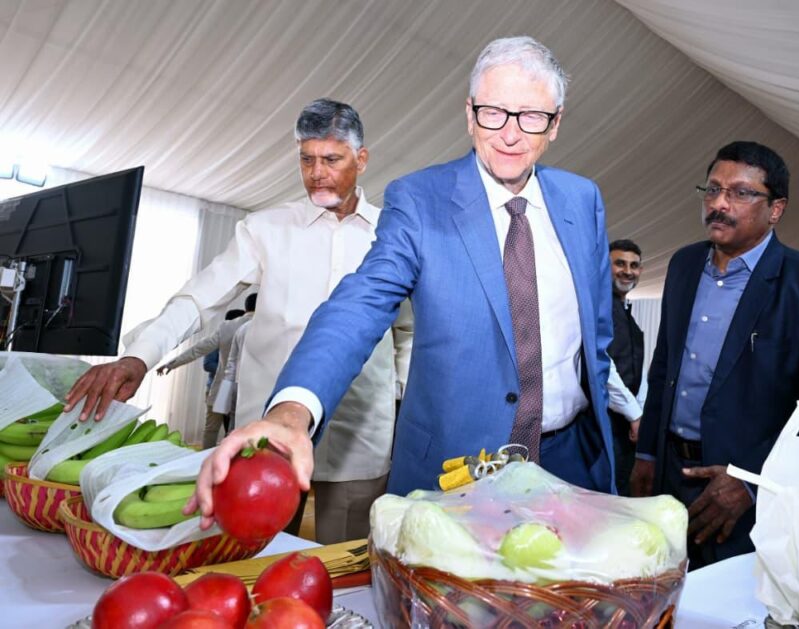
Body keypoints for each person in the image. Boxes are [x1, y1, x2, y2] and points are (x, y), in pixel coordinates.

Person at [191, 35, 617, 525]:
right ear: (469, 112)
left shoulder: (582, 201)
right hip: (459, 469)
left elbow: (596, 336)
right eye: (493, 112)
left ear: (556, 123)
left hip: (570, 461)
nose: (510, 134)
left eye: (531, 116)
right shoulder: (420, 199)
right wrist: (292, 410)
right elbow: (360, 305)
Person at [65, 98, 413, 543]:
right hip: (266, 430)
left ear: (361, 159)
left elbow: (406, 331)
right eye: (306, 160)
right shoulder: (264, 229)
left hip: (360, 432)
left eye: (331, 159)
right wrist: (139, 357)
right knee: (250, 553)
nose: (316, 173)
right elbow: (199, 300)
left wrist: (398, 400)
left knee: (342, 565)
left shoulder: (392, 234)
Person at [631, 141, 799, 568]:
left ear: (776, 209)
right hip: (669, 475)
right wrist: (647, 452)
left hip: (749, 498)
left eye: (740, 193)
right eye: (712, 190)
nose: (719, 204)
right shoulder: (684, 265)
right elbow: (665, 363)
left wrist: (753, 481)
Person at [156, 306, 248, 448]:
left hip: (223, 386)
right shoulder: (266, 326)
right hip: (248, 390)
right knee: (236, 430)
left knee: (211, 429)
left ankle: (204, 462)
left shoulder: (227, 327)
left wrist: (172, 364)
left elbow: (199, 348)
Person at [607, 239, 645, 495]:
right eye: (619, 263)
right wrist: (635, 413)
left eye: (634, 265)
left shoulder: (625, 311)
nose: (628, 271)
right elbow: (602, 366)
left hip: (625, 427)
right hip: (604, 425)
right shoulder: (599, 306)